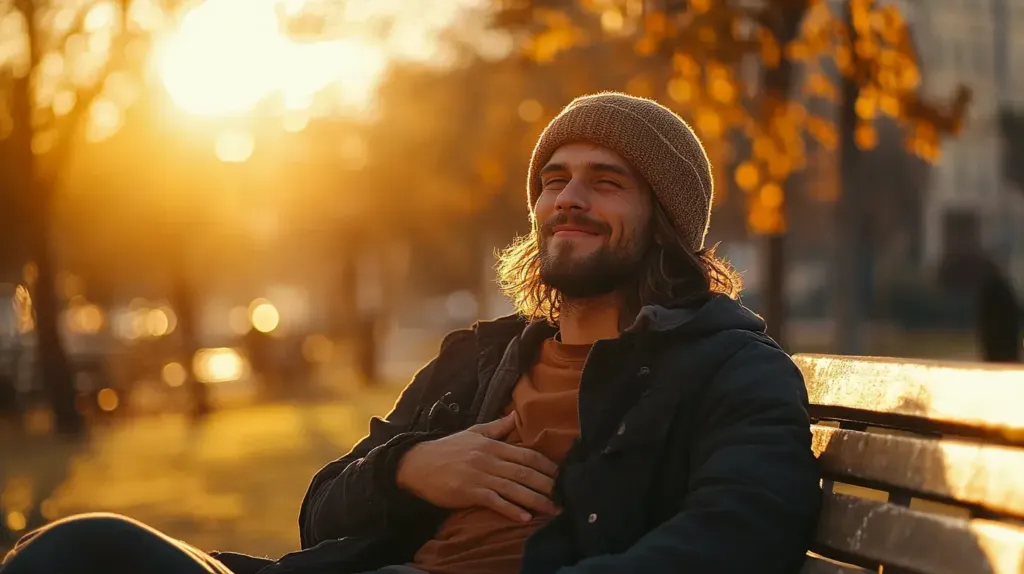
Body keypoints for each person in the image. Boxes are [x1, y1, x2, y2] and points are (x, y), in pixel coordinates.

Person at [1, 92, 821, 574]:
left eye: (606, 182)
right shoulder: (480, 358)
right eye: (553, 180)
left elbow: (741, 536)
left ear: (666, 223)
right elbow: (320, 513)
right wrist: (412, 469)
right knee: (79, 554)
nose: (567, 198)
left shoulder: (729, 368)